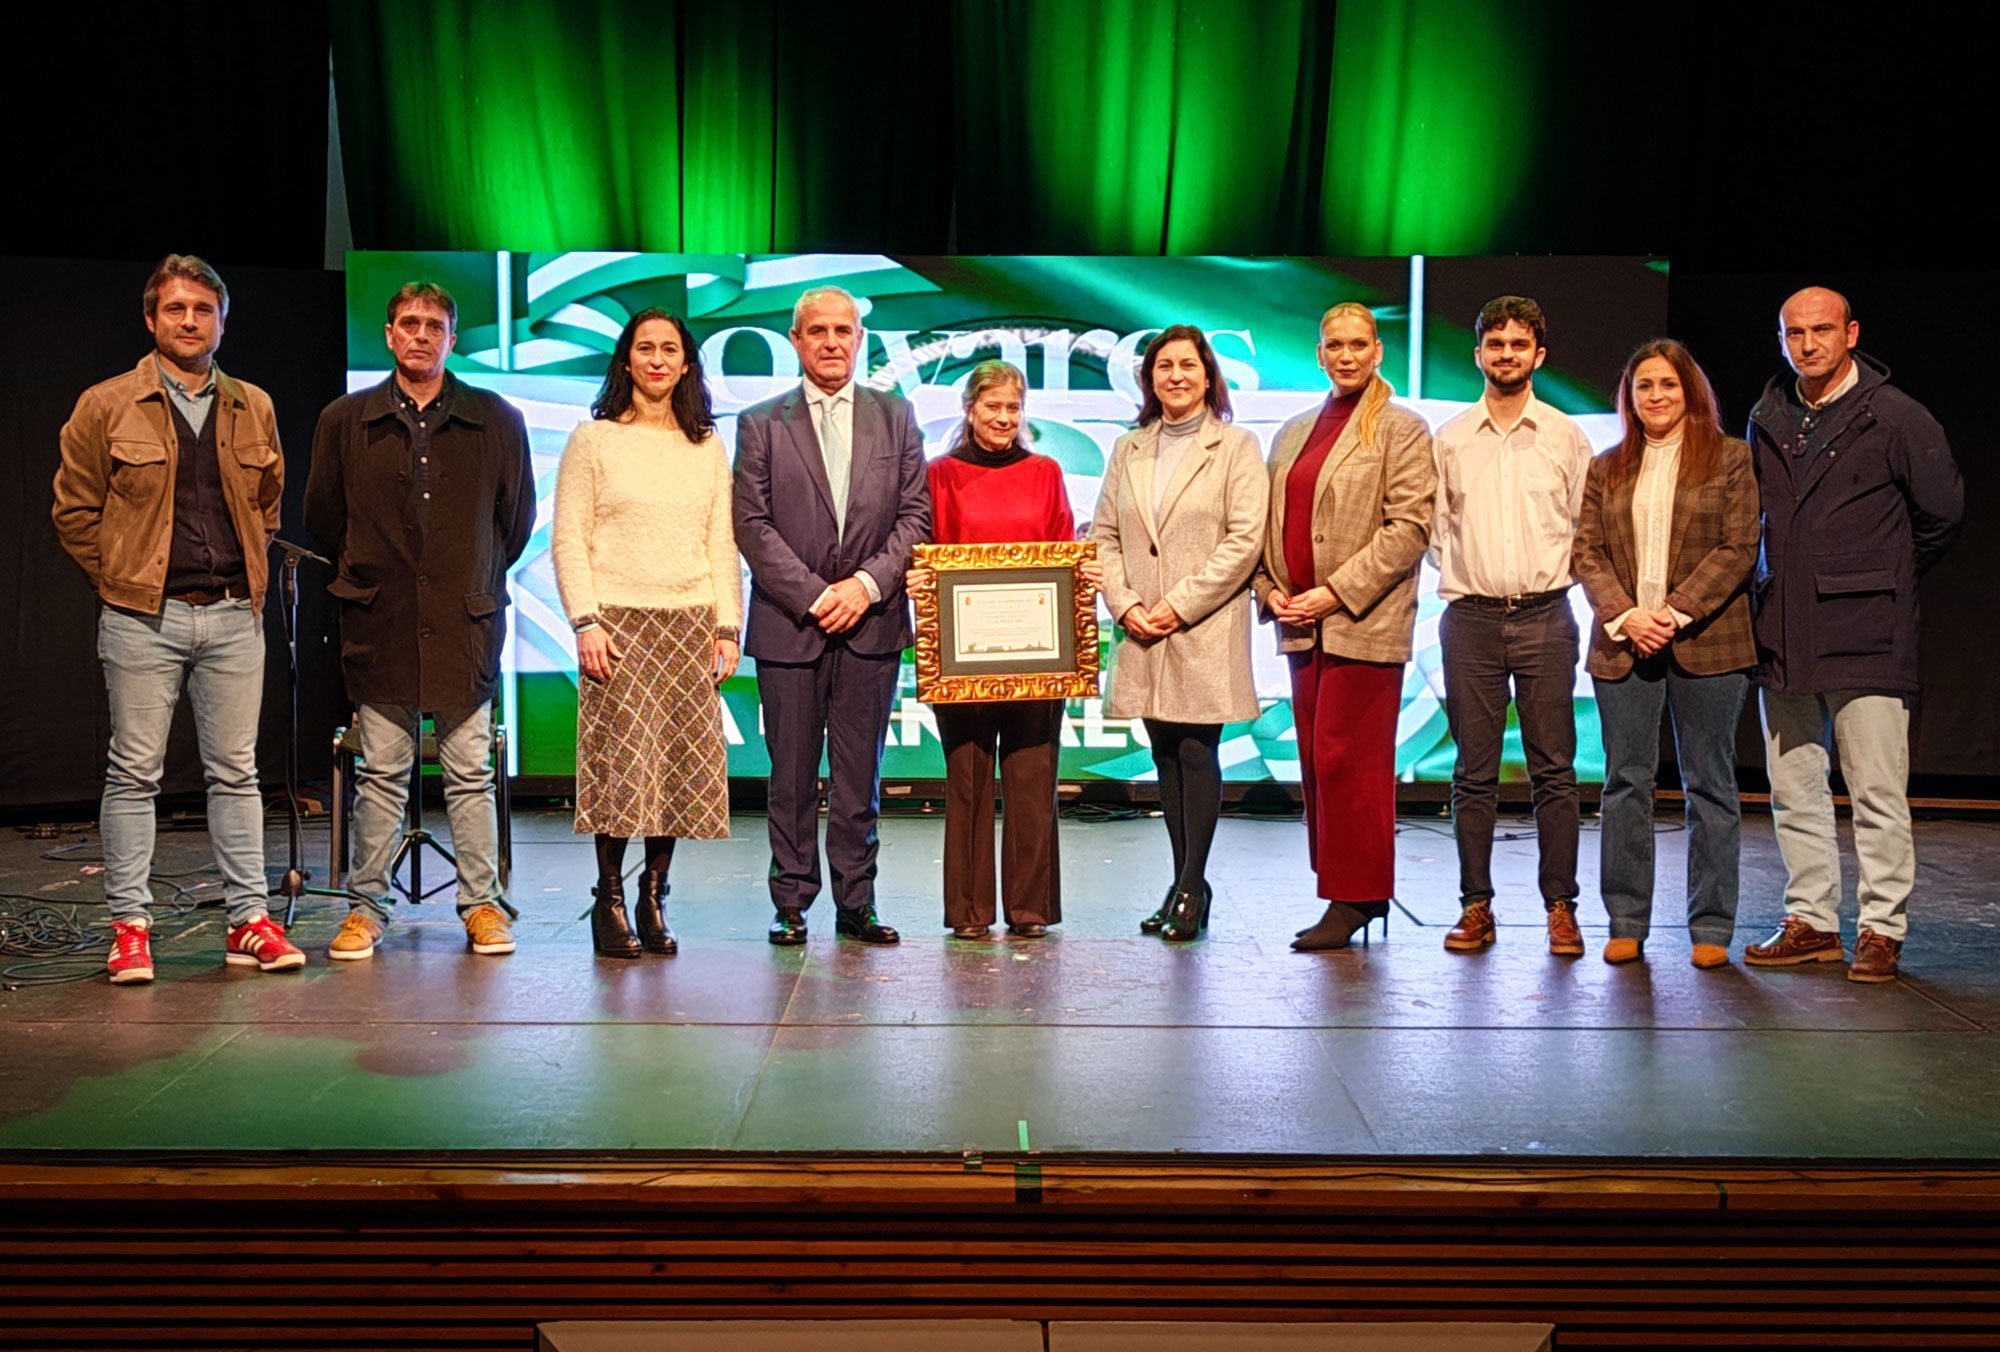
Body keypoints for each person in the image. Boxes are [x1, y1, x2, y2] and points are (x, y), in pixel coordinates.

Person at [52, 254, 300, 984]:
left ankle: (248, 920)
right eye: (176, 309)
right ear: (151, 318)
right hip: (143, 619)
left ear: (222, 322)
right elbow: (74, 511)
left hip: (234, 615)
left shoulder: (252, 404)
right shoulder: (107, 403)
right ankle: (130, 927)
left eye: (203, 310)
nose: (189, 321)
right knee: (133, 773)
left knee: (237, 774)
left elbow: (268, 504)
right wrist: (123, 578)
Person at [304, 282, 536, 962]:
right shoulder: (346, 419)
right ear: (388, 334)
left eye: (435, 325)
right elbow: (324, 516)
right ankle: (365, 909)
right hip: (381, 621)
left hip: (464, 621)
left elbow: (515, 520)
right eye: (408, 323)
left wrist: (467, 573)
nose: (421, 335)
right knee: (381, 773)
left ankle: (481, 905)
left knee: (469, 772)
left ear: (452, 339)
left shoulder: (496, 418)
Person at [1743, 287, 1963, 983]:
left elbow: (1941, 515)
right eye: (1795, 333)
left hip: (1867, 630)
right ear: (1781, 339)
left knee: (1875, 790)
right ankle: (1811, 920)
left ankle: (1881, 928)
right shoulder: (1768, 414)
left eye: (1822, 330)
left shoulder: (1895, 415)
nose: (1808, 344)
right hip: (1783, 630)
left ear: (1851, 333)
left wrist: (1878, 576)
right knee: (1794, 786)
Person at [733, 285, 931, 946]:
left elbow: (915, 517)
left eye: (843, 330)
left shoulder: (895, 416)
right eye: (817, 331)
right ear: (796, 340)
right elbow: (752, 525)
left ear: (859, 339)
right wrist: (819, 595)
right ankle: (791, 901)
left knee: (858, 778)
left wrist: (866, 587)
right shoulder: (761, 422)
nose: (831, 342)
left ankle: (857, 902)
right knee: (790, 776)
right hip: (792, 625)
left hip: (872, 624)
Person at [552, 309, 740, 958]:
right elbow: (569, 539)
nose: (657, 359)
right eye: (644, 348)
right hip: (618, 625)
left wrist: (727, 627)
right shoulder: (594, 440)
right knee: (622, 769)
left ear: (686, 364)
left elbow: (721, 541)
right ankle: (607, 898)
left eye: (669, 349)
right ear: (626, 359)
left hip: (689, 623)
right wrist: (585, 620)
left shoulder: (706, 445)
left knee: (679, 771)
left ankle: (652, 897)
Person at [1251, 303, 1436, 953]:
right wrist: (1269, 589)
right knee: (1317, 761)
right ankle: (1344, 889)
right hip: (1301, 625)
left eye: (1359, 344)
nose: (1347, 355)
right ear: (1320, 353)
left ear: (1378, 351)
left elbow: (1409, 529)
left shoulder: (1402, 429)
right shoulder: (1293, 431)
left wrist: (1333, 594)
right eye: (1335, 345)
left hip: (1362, 621)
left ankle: (1358, 896)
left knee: (1348, 760)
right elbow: (1267, 526)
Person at [1573, 341, 1759, 970]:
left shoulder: (1731, 459)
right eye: (1644, 386)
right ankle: (1626, 921)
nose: (1656, 396)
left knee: (1710, 783)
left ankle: (1711, 925)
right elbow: (1587, 551)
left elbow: (1739, 547)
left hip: (1709, 641)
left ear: (1690, 391)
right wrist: (1627, 615)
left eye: (1668, 384)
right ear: (1629, 398)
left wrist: (1675, 612)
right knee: (1626, 783)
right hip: (1624, 640)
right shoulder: (1606, 467)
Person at [1430, 296, 1596, 957]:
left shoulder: (1564, 436)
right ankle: (1476, 907)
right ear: (1478, 355)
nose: (1506, 354)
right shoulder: (1450, 439)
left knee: (1554, 770)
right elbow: (1437, 534)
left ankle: (1561, 909)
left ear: (1538, 355)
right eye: (1495, 344)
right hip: (1469, 618)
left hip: (1546, 615)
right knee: (1473, 772)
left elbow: (1585, 529)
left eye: (1518, 344)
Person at [1091, 325, 1268, 942]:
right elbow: (1104, 536)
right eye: (1164, 366)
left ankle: (1194, 885)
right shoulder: (1129, 448)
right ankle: (1180, 882)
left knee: (1196, 750)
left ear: (1208, 374)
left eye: (1188, 365)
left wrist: (1178, 606)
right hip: (1141, 626)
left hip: (1203, 624)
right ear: (1149, 379)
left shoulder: (1236, 446)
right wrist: (1125, 605)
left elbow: (1245, 540)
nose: (1176, 376)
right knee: (1163, 754)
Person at [909, 361, 1079, 940]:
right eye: (993, 407)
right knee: (968, 779)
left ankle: (1030, 909)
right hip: (963, 657)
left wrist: (1083, 574)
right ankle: (969, 911)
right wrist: (917, 578)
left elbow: (1063, 551)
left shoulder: (1045, 472)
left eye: (1013, 408)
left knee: (1033, 779)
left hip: (1038, 653)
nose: (1004, 418)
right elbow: (923, 550)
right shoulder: (938, 475)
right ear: (969, 409)